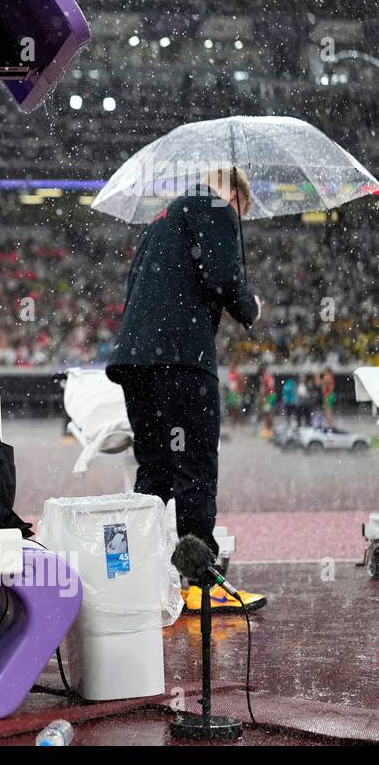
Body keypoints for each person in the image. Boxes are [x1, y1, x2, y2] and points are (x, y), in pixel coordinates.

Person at [106, 166, 267, 613]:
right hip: (180, 357)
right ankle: (201, 583)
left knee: (155, 468)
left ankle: (134, 572)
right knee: (195, 466)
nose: (238, 222)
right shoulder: (213, 204)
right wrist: (250, 306)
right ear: (235, 195)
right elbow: (223, 277)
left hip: (137, 359)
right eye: (242, 213)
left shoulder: (164, 218)